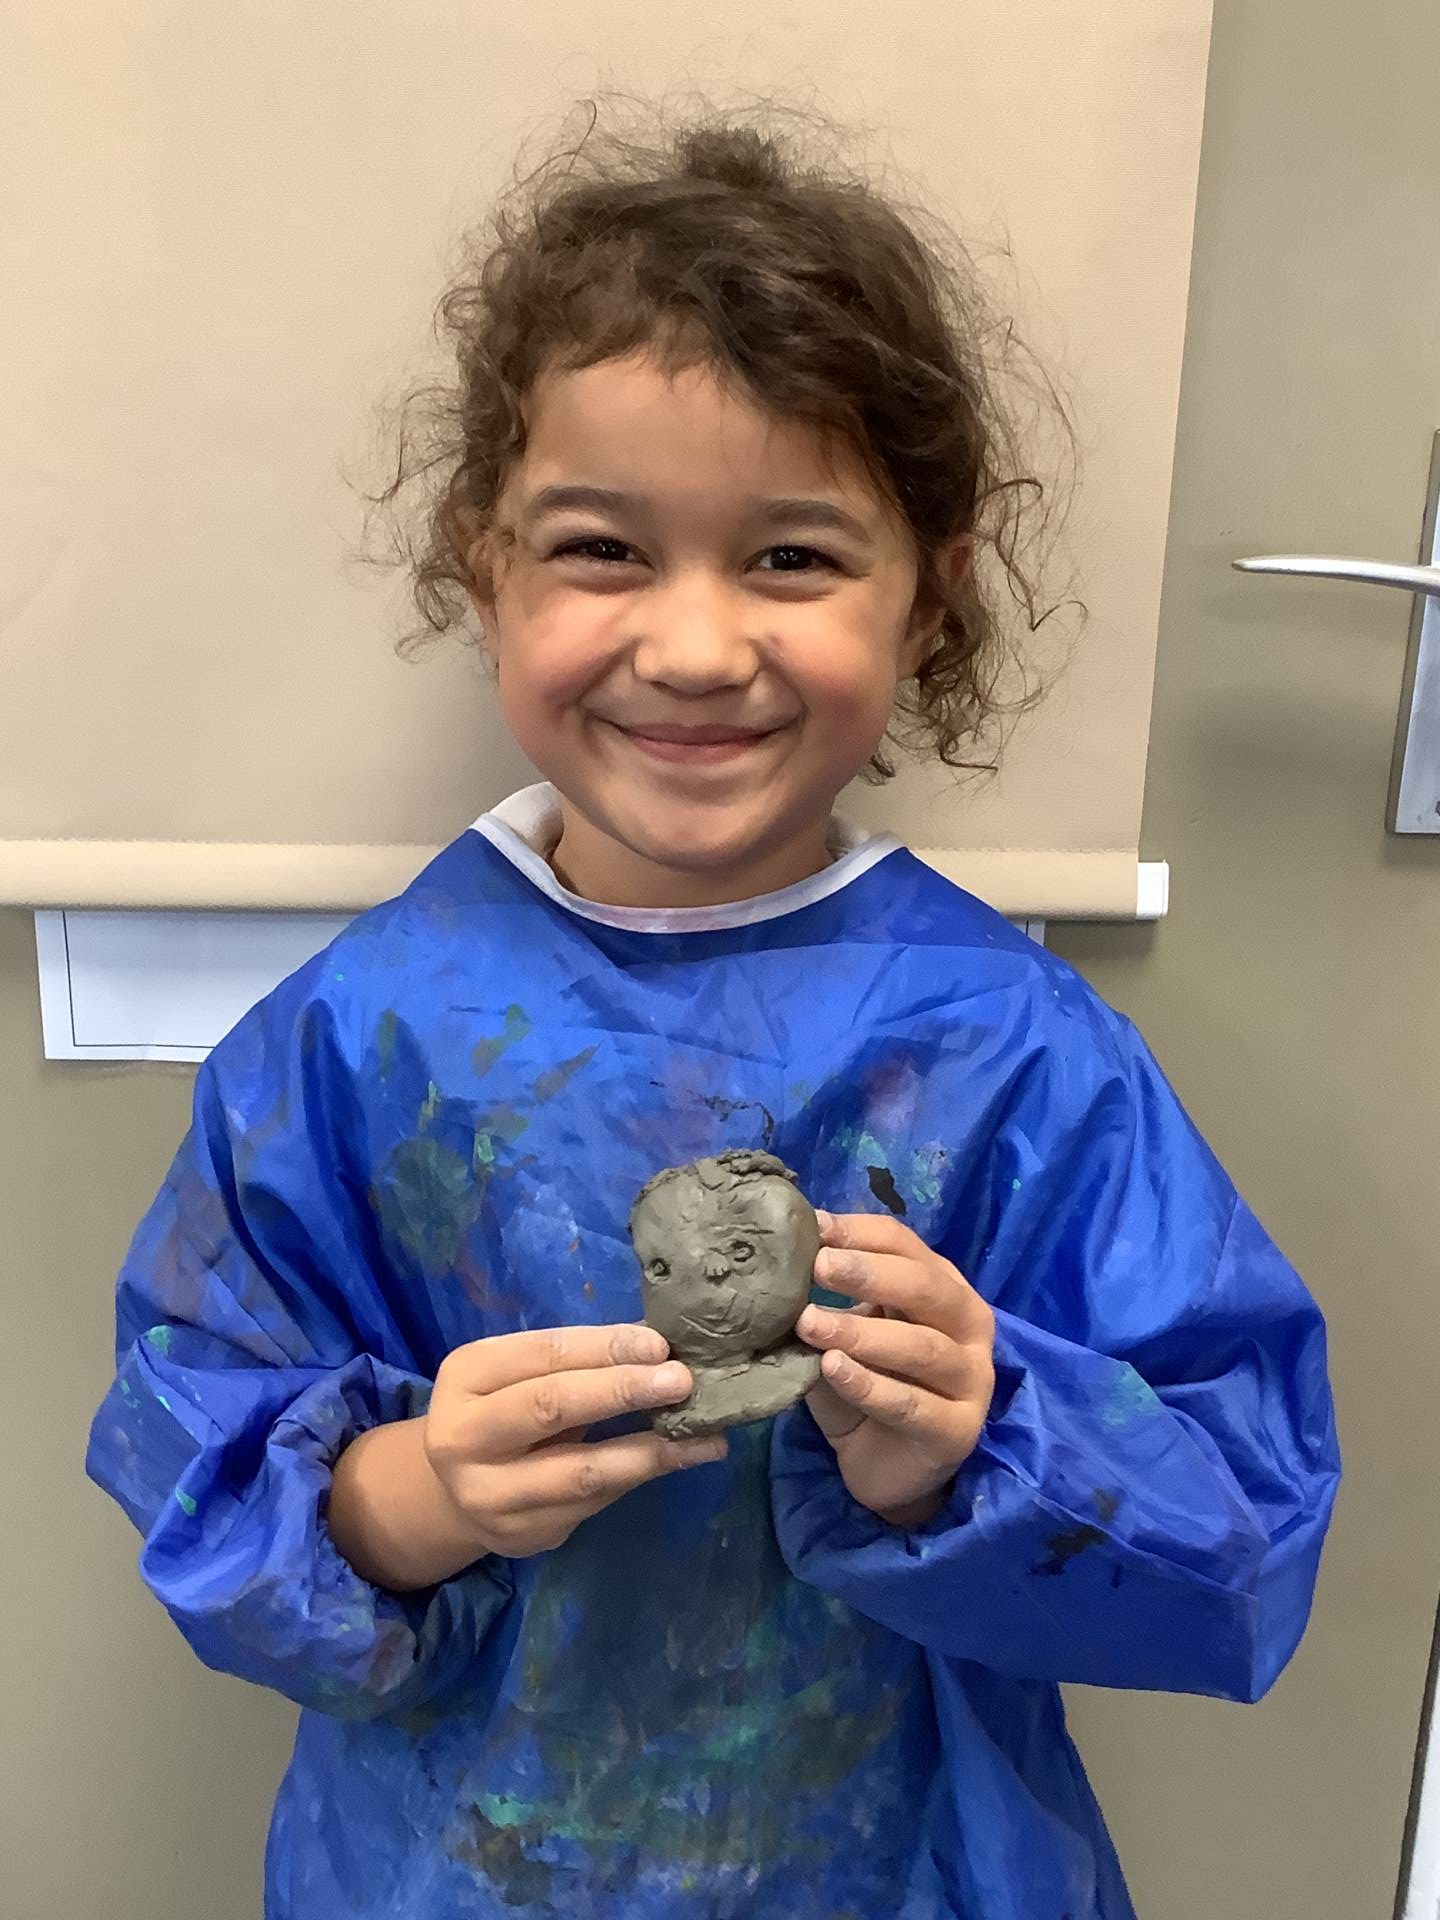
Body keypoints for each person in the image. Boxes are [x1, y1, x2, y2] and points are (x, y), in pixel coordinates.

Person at [86, 100, 1340, 1920]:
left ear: (931, 601)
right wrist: (419, 1491)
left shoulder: (1012, 1051)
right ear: (485, 564)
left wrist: (971, 1445)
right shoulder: (359, 1042)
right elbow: (193, 1461)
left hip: (906, 1866)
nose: (691, 647)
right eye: (603, 548)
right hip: (453, 1866)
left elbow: (1244, 1522)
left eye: (792, 557)